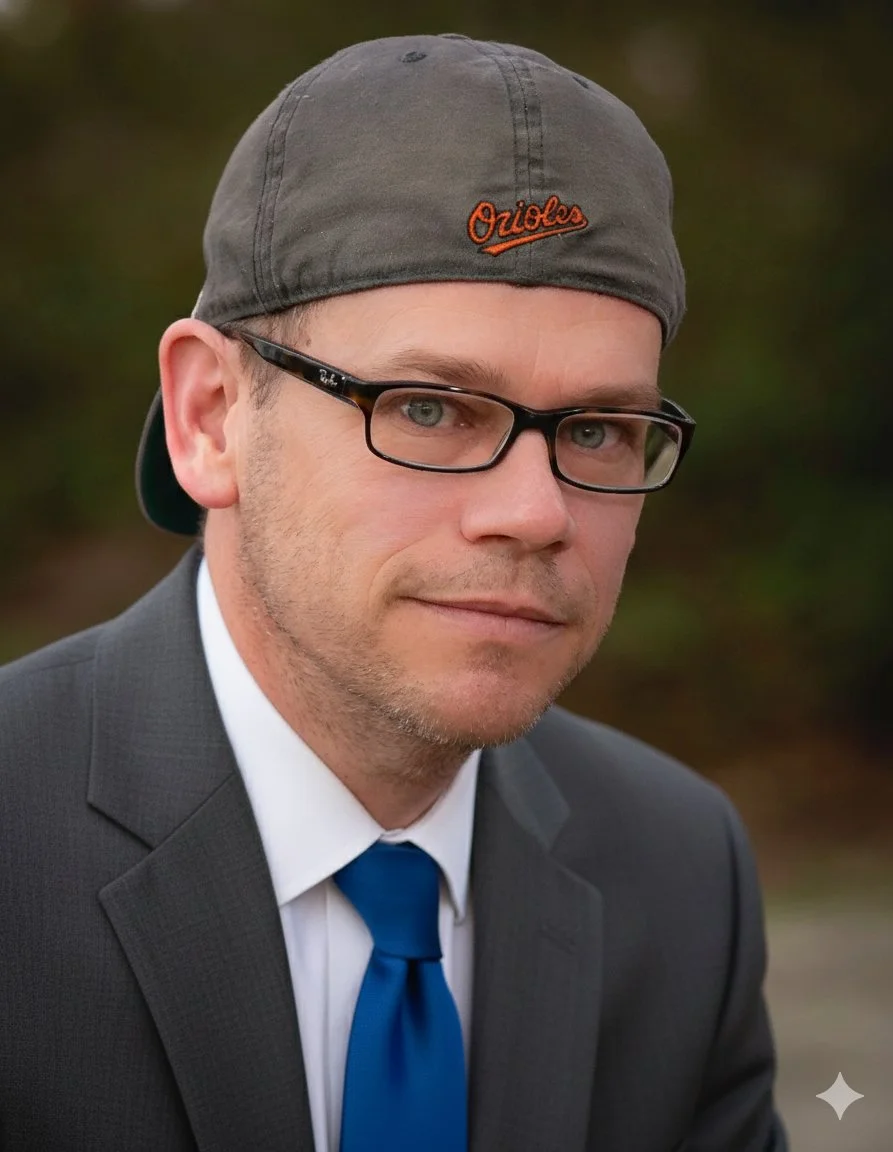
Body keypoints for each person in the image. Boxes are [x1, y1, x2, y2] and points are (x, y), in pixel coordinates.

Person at [0, 33, 788, 1152]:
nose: (536, 511)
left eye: (598, 430)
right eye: (427, 408)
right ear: (210, 417)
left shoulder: (679, 872)